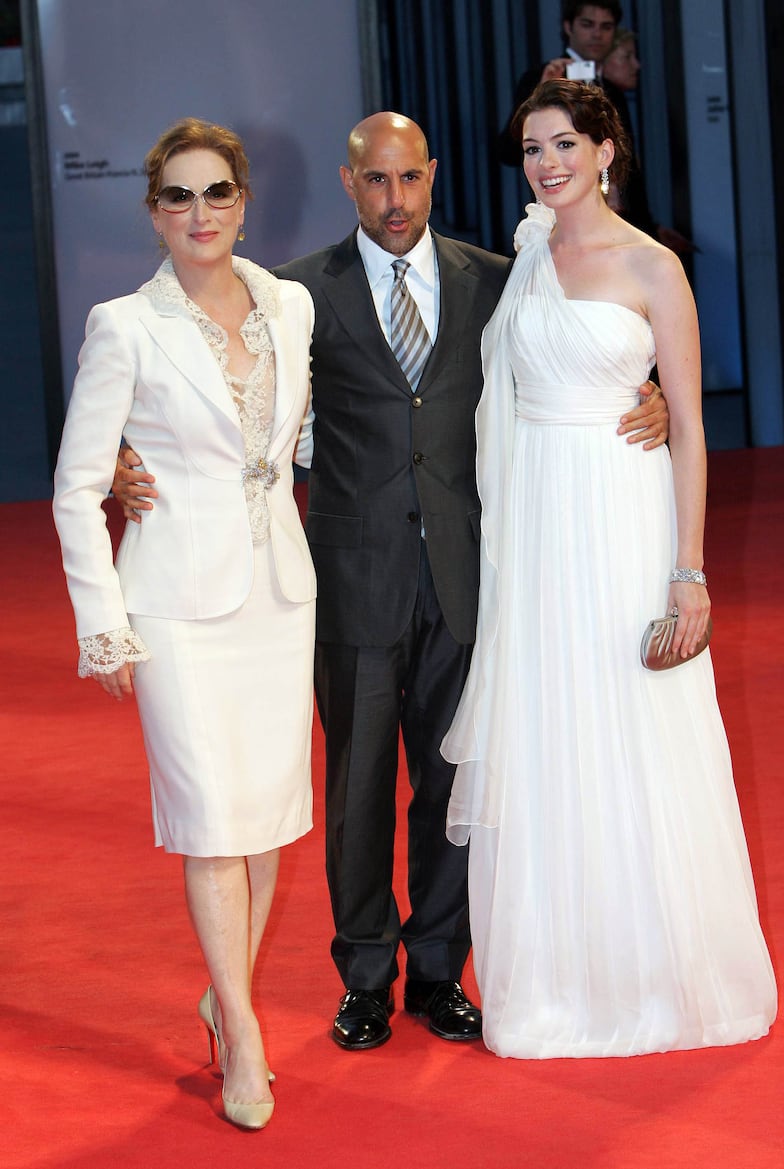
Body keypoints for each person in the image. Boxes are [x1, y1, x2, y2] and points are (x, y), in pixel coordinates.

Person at [113, 111, 669, 1054]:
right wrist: (129, 450)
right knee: (359, 786)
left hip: (469, 571)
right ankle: (365, 975)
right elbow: (199, 370)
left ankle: (441, 970)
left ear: (432, 175)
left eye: (410, 180)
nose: (395, 199)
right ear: (347, 181)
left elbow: (566, 351)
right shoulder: (291, 294)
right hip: (346, 578)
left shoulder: (495, 280)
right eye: (376, 181)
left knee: (453, 780)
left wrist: (641, 394)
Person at [442, 80, 777, 1059]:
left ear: (603, 151)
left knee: (636, 723)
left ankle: (661, 976)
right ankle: (553, 980)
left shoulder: (652, 265)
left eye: (561, 145)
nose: (544, 163)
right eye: (529, 149)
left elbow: (690, 427)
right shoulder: (524, 254)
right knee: (549, 728)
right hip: (535, 526)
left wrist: (687, 570)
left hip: (623, 516)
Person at [53, 118, 316, 1127]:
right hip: (173, 601)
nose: (199, 213)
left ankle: (223, 992)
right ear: (152, 212)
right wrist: (103, 624)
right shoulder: (125, 325)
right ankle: (244, 1034)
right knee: (210, 815)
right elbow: (77, 488)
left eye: (216, 193)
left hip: (277, 595)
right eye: (178, 197)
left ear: (243, 202)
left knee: (264, 816)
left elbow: (297, 437)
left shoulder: (288, 305)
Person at [498, 3, 691, 252]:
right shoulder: (540, 78)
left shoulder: (610, 88)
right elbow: (508, 151)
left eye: (606, 27)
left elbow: (627, 165)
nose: (597, 34)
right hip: (560, 225)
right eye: (587, 25)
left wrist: (647, 227)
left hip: (619, 222)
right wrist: (542, 93)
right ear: (569, 27)